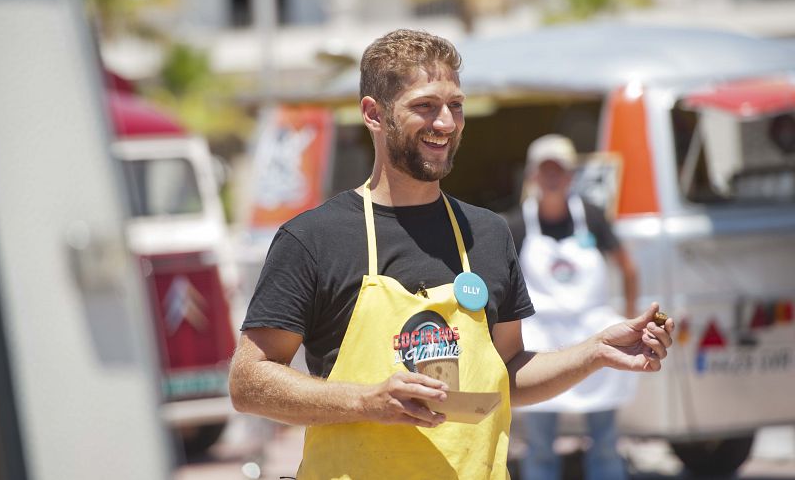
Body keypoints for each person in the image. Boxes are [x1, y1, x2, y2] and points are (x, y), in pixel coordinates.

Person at [229, 29, 673, 479]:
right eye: (425, 106)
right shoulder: (314, 238)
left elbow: (507, 374)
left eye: (455, 106)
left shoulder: (488, 233)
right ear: (374, 114)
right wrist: (366, 400)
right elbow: (249, 381)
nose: (446, 123)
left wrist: (596, 350)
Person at [509, 134, 639, 480]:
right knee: (538, 445)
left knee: (606, 441)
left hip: (593, 334)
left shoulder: (594, 218)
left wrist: (627, 318)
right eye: (545, 170)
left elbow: (627, 267)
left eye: (559, 170)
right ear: (533, 175)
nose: (552, 178)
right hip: (541, 342)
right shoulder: (516, 225)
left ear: (571, 176)